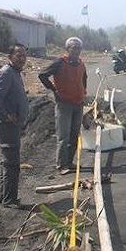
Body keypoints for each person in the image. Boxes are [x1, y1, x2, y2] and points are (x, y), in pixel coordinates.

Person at [0, 43, 30, 209]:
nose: (22, 58)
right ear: (10, 57)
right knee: (11, 163)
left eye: (24, 55)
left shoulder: (15, 72)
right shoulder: (7, 72)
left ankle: (5, 197)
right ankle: (8, 200)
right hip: (7, 126)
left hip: (12, 125)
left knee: (8, 162)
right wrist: (5, 116)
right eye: (18, 55)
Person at [39, 37, 88, 174]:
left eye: (78, 48)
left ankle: (69, 162)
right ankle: (61, 165)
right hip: (64, 104)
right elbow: (42, 75)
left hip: (78, 104)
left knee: (74, 135)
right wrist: (54, 89)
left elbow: (84, 79)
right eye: (73, 47)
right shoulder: (60, 63)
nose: (76, 50)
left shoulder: (81, 64)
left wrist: (83, 93)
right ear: (67, 49)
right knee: (63, 136)